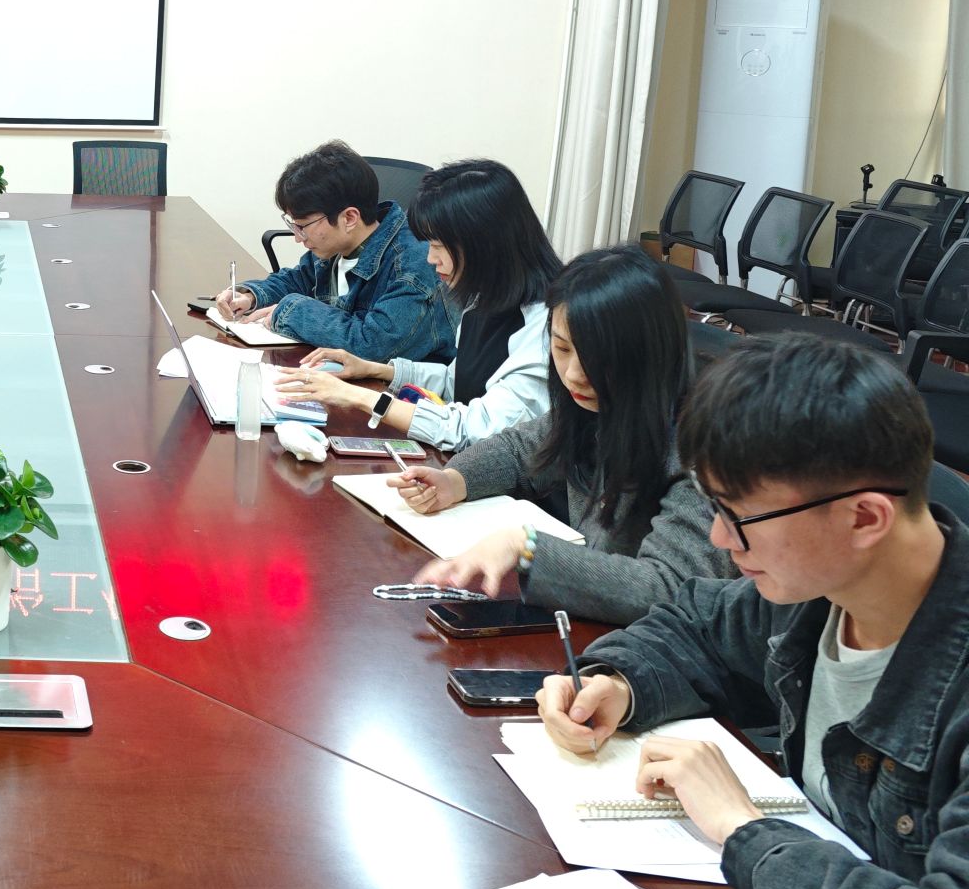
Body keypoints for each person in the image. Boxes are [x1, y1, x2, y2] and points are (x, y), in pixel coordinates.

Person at [538, 336, 969, 889]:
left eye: (740, 516)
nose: (719, 539)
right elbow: (695, 622)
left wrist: (743, 828)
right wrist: (619, 683)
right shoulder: (823, 593)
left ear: (865, 517)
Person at [393, 246, 734, 623]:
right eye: (561, 348)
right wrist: (455, 480)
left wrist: (527, 548)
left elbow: (669, 588)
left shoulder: (703, 444)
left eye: (595, 355)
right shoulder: (596, 401)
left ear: (647, 351)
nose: (573, 373)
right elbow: (521, 449)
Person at [273, 159, 560, 451]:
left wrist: (360, 397)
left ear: (483, 244)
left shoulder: (547, 325)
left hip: (501, 475)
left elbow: (475, 429)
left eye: (437, 246)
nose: (430, 259)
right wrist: (375, 370)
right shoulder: (481, 299)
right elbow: (455, 383)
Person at [211, 140, 453, 363]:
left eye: (303, 226)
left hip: (401, 390)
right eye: (294, 226)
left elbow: (372, 345)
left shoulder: (415, 263)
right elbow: (299, 279)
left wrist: (293, 311)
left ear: (349, 218)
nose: (297, 238)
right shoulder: (338, 246)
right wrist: (251, 296)